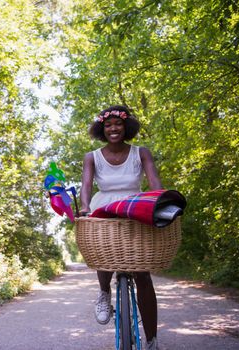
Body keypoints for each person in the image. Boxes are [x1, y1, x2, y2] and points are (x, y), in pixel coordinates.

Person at [79, 105, 163, 350]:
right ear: (101, 129)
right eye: (108, 125)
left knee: (143, 275)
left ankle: (152, 341)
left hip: (135, 207)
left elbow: (154, 180)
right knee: (102, 252)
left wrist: (160, 200)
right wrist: (84, 206)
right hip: (104, 206)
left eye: (117, 124)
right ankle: (104, 293)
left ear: (126, 127)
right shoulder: (92, 156)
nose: (113, 128)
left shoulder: (141, 153)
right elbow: (86, 185)